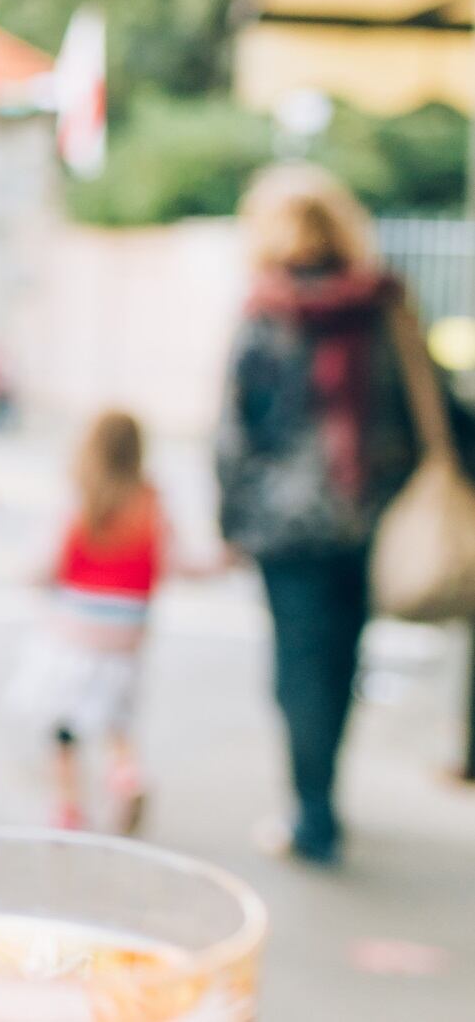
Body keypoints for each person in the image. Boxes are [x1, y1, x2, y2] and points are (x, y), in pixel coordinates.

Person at [216, 163, 419, 866]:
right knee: (339, 661)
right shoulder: (383, 305)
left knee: (297, 667)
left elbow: (235, 430)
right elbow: (419, 409)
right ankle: (321, 795)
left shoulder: (264, 313)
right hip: (365, 516)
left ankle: (313, 814)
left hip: (285, 525)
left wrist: (228, 521)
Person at [9, 410, 172, 834]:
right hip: (126, 638)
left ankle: (68, 810)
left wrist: (30, 578)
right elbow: (175, 559)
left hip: (74, 635)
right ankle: (127, 775)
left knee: (64, 726)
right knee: (116, 718)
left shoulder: (79, 500)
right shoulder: (151, 500)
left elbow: (43, 566)